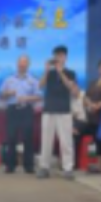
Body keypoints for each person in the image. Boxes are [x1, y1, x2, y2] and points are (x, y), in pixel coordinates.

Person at [38, 46, 79, 180]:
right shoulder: (49, 73)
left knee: (66, 141)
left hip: (64, 110)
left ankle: (68, 168)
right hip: (48, 110)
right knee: (46, 140)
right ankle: (44, 167)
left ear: (65, 58)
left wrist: (61, 72)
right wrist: (46, 70)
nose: (59, 58)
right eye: (57, 56)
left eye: (61, 56)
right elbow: (40, 85)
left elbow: (71, 87)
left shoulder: (70, 73)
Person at [0, 56, 41, 175]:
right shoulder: (9, 79)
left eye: (24, 63)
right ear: (17, 64)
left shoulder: (33, 80)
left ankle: (29, 166)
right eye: (20, 63)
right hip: (12, 110)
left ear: (28, 65)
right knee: (11, 138)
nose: (22, 65)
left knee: (28, 138)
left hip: (26, 109)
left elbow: (38, 96)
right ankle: (10, 166)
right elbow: (1, 94)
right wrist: (8, 93)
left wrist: (26, 98)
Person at [76, 59, 101, 173]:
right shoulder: (93, 82)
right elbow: (85, 97)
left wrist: (99, 105)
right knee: (79, 132)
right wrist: (90, 104)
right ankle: (77, 163)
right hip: (91, 117)